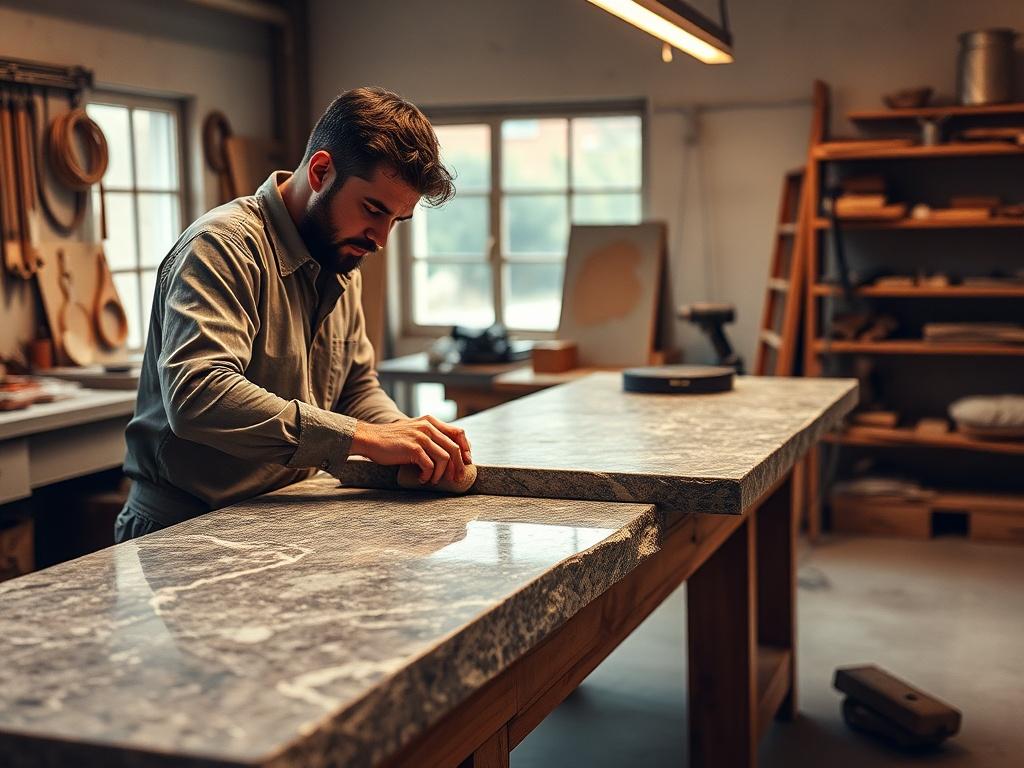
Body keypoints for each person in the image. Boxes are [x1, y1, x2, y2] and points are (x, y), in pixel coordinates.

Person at [114, 87, 472, 542]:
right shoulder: (222, 247)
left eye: (396, 221)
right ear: (321, 171)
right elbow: (199, 396)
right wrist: (362, 438)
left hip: (279, 516)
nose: (380, 239)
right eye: (373, 210)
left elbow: (355, 389)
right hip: (184, 527)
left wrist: (404, 434)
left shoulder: (341, 259)